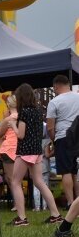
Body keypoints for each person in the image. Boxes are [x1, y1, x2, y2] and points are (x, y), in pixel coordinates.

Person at [7, 83, 62, 226]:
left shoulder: (24, 112)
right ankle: (56, 214)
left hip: (25, 151)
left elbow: (21, 135)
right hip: (37, 152)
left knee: (15, 182)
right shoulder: (38, 111)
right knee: (40, 182)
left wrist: (12, 125)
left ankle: (22, 218)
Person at [46, 74, 79, 209]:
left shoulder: (55, 102)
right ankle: (78, 201)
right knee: (76, 172)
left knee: (66, 171)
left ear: (56, 86)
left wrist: (54, 139)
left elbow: (50, 127)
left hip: (63, 137)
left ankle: (71, 203)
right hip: (78, 136)